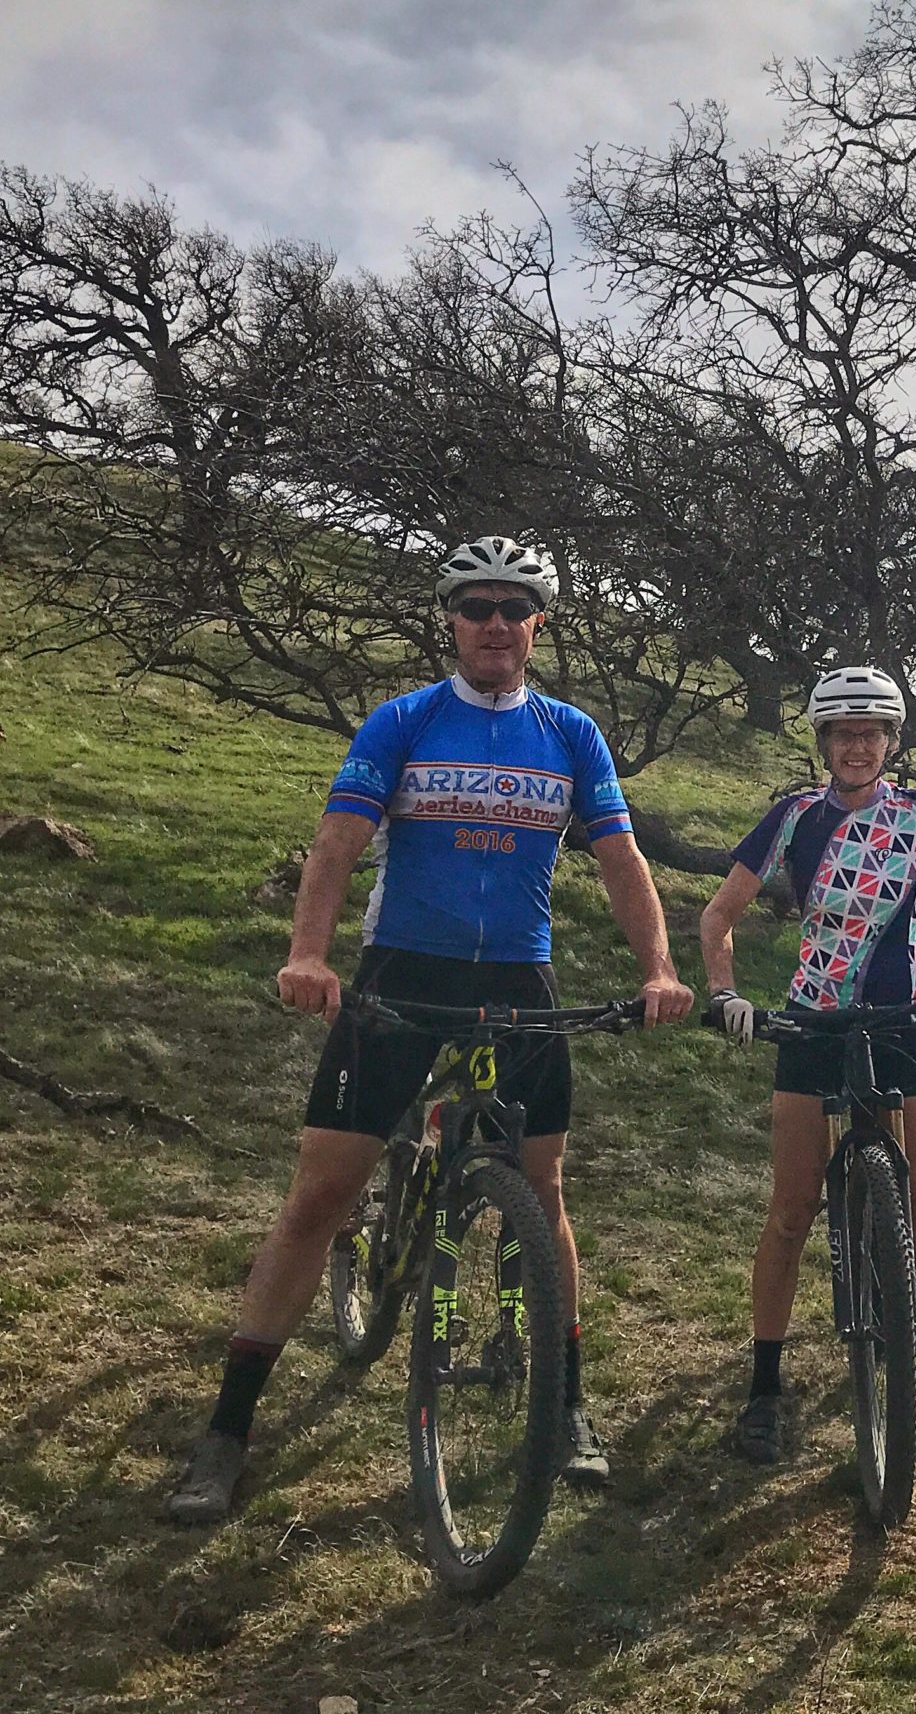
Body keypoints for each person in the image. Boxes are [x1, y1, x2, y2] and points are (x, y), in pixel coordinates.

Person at [164, 536, 696, 1524]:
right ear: (450, 621)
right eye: (476, 606)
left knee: (543, 1190)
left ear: (538, 625)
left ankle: (568, 1405)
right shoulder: (404, 721)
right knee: (322, 1191)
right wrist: (309, 955)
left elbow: (622, 863)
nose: (495, 623)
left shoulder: (572, 735)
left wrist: (660, 969)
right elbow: (337, 843)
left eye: (514, 607)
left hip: (517, 979)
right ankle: (225, 1434)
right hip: (402, 972)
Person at [698, 666, 916, 1465]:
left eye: (872, 732)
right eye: (843, 733)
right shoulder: (794, 816)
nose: (858, 746)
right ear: (823, 743)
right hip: (813, 1018)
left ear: (892, 742)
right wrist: (726, 991)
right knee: (793, 1206)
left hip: (902, 1014)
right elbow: (718, 914)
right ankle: (765, 1387)